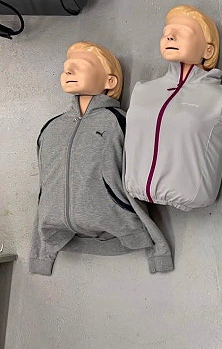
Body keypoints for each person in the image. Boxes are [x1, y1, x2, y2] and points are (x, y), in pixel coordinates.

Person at [30, 41, 173, 275]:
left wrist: (158, 252)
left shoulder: (119, 122)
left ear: (110, 81)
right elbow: (45, 190)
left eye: (80, 65)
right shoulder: (51, 128)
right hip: (61, 240)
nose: (68, 71)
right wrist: (40, 257)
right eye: (66, 67)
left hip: (121, 237)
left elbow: (139, 183)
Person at [124, 5, 222, 211]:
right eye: (166, 32)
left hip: (191, 196)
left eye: (182, 32)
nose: (170, 37)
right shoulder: (142, 90)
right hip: (135, 191)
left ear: (208, 50)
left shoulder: (220, 100)